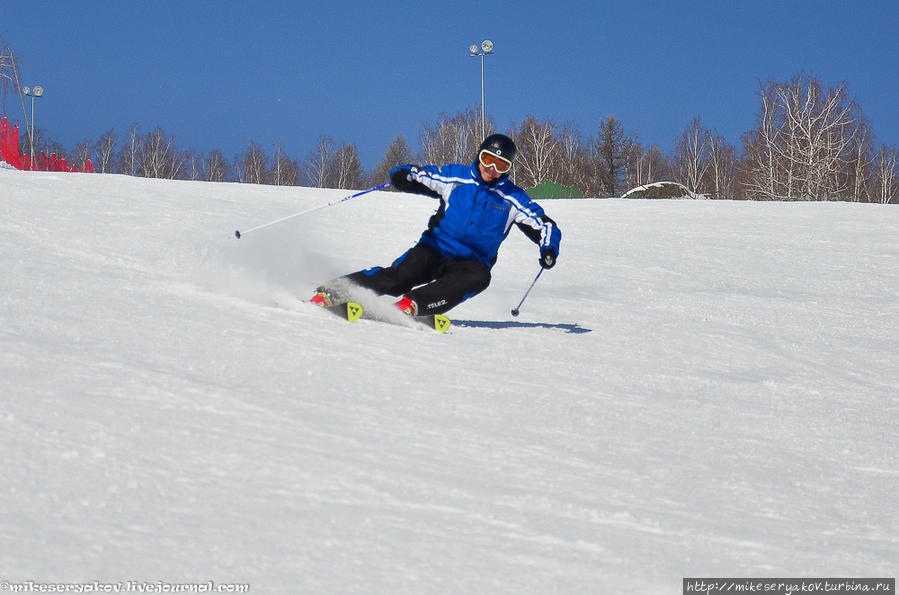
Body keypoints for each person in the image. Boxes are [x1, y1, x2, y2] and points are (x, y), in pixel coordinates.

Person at [310, 133, 562, 316]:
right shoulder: (456, 177)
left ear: (507, 169)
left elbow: (544, 224)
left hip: (470, 263)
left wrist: (548, 247)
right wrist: (404, 174)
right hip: (435, 249)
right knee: (399, 277)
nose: (491, 169)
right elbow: (422, 174)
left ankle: (414, 305)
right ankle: (334, 291)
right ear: (480, 156)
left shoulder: (512, 198)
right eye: (488, 160)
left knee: (480, 277)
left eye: (500, 165)